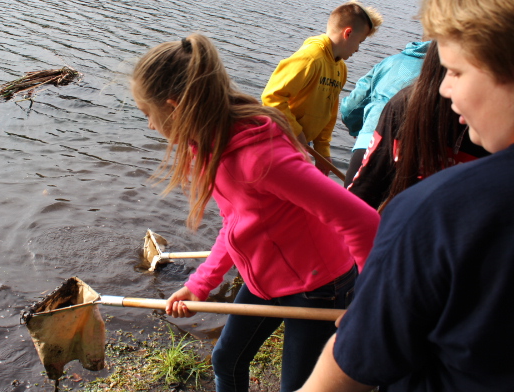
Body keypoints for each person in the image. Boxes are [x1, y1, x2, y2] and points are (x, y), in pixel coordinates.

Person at [297, 0, 514, 392]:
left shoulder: (433, 213)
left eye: (456, 72)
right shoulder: (401, 111)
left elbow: (343, 374)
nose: (445, 89)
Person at [130, 32, 380, 392]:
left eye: (148, 115)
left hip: (319, 285)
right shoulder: (211, 145)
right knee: (227, 360)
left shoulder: (259, 157)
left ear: (175, 107)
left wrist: (372, 305)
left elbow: (362, 221)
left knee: (299, 386)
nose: (151, 126)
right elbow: (236, 224)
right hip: (268, 276)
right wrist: (200, 285)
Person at [346, 41, 488, 209]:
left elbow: (350, 109)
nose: (446, 89)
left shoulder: (495, 133)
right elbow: (365, 189)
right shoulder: (404, 105)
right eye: (451, 72)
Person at [261, 0, 382, 175]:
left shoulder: (340, 68)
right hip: (278, 140)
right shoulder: (310, 58)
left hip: (302, 144)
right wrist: (297, 133)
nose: (358, 49)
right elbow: (272, 97)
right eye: (360, 42)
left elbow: (328, 114)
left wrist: (323, 152)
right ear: (348, 33)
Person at [340, 41, 430, 186]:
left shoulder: (390, 62)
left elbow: (350, 107)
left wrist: (359, 130)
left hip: (368, 143)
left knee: (346, 205)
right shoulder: (445, 73)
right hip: (410, 157)